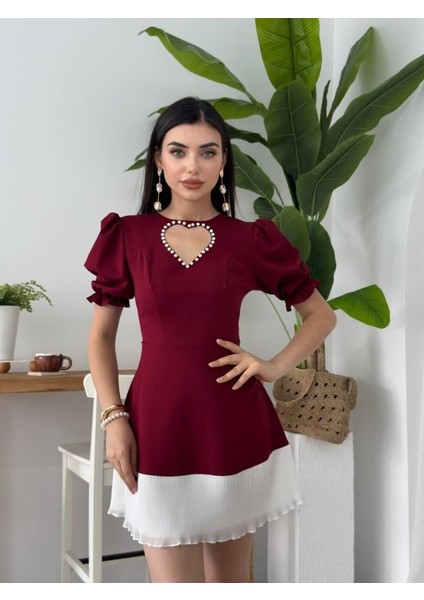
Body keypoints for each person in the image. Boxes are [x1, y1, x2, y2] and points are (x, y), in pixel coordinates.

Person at [85, 96, 336, 583]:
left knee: (230, 585)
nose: (192, 166)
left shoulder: (250, 239)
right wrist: (114, 418)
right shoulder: (128, 236)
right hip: (157, 424)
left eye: (208, 152)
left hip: (232, 423)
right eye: (178, 151)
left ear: (223, 161)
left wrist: (273, 367)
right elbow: (101, 336)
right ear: (158, 159)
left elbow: (320, 316)